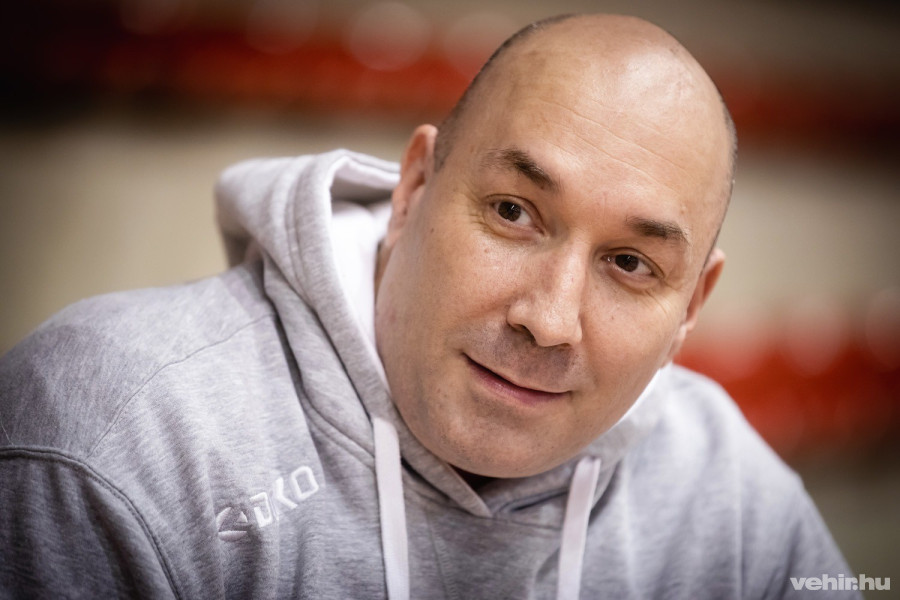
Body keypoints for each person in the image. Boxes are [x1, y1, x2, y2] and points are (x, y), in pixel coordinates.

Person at [0, 13, 856, 600]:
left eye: (631, 264)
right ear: (413, 188)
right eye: (513, 213)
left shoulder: (730, 493)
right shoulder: (117, 444)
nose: (548, 320)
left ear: (692, 305)